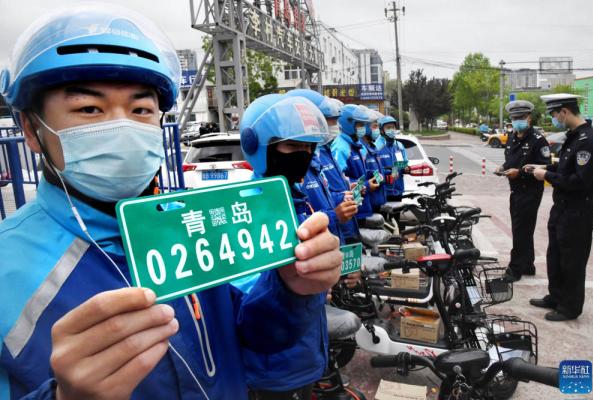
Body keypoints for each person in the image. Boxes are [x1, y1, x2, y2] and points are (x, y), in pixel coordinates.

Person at [0, 6, 342, 399]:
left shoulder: (191, 219)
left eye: (141, 110)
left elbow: (251, 338)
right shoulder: (7, 266)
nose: (121, 126)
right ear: (30, 127)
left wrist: (290, 288)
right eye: (89, 109)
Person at [239, 94, 337, 399]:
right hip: (273, 370)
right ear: (259, 147)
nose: (303, 155)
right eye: (293, 146)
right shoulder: (244, 210)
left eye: (308, 148)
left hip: (305, 355)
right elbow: (247, 301)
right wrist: (293, 286)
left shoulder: (295, 199)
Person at [527, 93, 593, 321]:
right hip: (562, 209)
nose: (553, 119)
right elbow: (566, 168)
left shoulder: (588, 141)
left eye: (554, 114)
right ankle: (556, 296)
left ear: (565, 112)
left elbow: (578, 181)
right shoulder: (574, 137)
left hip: (578, 212)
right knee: (556, 256)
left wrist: (546, 175)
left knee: (572, 261)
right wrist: (542, 167)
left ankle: (570, 307)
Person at [284, 89, 359, 245]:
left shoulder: (314, 159)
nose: (334, 127)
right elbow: (294, 226)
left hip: (331, 243)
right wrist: (334, 216)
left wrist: (341, 197)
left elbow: (321, 195)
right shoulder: (285, 172)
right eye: (329, 121)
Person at [495, 100, 551, 282]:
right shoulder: (512, 136)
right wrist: (502, 167)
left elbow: (545, 167)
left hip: (530, 190)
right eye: (514, 118)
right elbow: (510, 159)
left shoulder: (537, 140)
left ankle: (515, 268)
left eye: (521, 117)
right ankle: (528, 264)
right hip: (516, 190)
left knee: (521, 229)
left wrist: (519, 173)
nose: (518, 121)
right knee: (523, 229)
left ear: (529, 118)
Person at [330, 104, 378, 222]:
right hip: (351, 209)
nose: (363, 128)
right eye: (360, 125)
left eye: (364, 125)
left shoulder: (355, 145)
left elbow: (357, 172)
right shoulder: (341, 147)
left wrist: (371, 174)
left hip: (360, 205)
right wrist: (365, 185)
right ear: (348, 124)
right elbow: (338, 180)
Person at [361, 107, 387, 212]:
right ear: (366, 128)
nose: (377, 130)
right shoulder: (362, 149)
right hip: (369, 202)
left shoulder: (373, 147)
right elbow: (363, 174)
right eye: (375, 126)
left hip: (379, 199)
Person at [377, 115, 408, 201]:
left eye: (393, 127)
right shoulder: (377, 147)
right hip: (383, 191)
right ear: (381, 130)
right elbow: (374, 169)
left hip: (398, 189)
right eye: (388, 127)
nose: (391, 130)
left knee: (397, 212)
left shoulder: (399, 146)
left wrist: (405, 168)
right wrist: (388, 172)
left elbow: (404, 163)